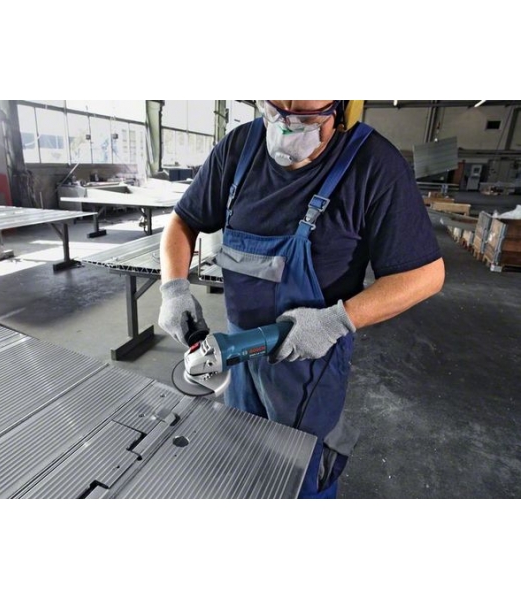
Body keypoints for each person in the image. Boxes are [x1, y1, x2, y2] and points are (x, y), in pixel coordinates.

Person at [158, 100, 445, 499]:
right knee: (242, 467)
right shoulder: (239, 148)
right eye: (275, 110)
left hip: (311, 364)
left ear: (342, 108)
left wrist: (335, 321)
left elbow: (425, 275)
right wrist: (173, 288)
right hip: (240, 357)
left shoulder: (374, 164)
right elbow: (183, 221)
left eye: (306, 118)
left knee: (299, 481)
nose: (286, 127)